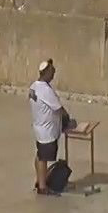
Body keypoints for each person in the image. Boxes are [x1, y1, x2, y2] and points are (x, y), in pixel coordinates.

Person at [28, 59, 71, 196]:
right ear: (45, 73)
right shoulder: (45, 90)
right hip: (47, 131)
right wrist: (68, 120)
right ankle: (42, 188)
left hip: (39, 127)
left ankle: (40, 180)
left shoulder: (34, 86)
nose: (53, 74)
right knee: (43, 158)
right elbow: (59, 109)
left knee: (40, 155)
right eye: (52, 72)